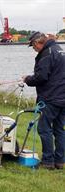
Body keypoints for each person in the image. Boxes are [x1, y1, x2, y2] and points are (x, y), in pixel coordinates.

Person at [23, 31, 65, 170]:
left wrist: (28, 79)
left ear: (37, 43)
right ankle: (60, 161)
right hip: (62, 98)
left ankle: (48, 162)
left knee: (44, 128)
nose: (34, 49)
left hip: (50, 98)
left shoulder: (47, 54)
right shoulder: (60, 50)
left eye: (33, 46)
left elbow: (41, 77)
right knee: (59, 130)